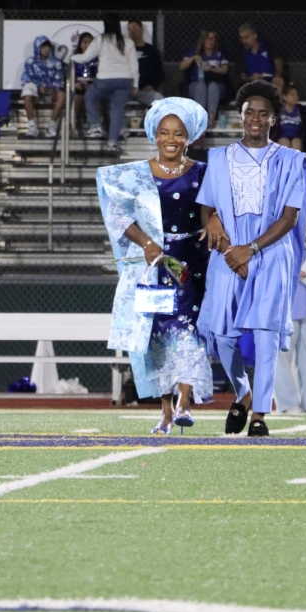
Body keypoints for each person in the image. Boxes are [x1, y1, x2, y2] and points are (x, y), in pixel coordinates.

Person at [197, 80, 306, 437]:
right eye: (250, 112)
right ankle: (243, 392)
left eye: (263, 113)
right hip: (227, 253)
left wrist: (252, 249)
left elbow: (289, 217)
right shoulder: (217, 157)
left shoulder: (293, 160)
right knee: (222, 336)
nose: (256, 119)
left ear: (274, 119)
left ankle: (260, 414)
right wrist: (223, 237)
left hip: (271, 254)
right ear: (240, 116)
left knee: (264, 335)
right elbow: (207, 210)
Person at [96, 96, 213, 433]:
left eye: (179, 133)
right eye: (165, 132)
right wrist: (145, 242)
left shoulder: (204, 173)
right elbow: (118, 213)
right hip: (156, 267)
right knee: (156, 336)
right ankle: (164, 410)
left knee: (188, 331)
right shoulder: (137, 175)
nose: (171, 139)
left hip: (192, 265)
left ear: (189, 137)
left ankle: (185, 403)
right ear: (154, 135)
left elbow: (217, 209)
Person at [273, 243, 306, 414]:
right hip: (285, 308)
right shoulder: (276, 248)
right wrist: (294, 274)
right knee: (282, 358)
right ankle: (287, 404)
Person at [80, 15, 140, 154]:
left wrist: (72, 58)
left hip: (105, 80)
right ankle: (112, 142)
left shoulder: (101, 39)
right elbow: (134, 64)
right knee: (117, 109)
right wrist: (135, 82)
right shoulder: (127, 41)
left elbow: (85, 57)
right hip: (124, 80)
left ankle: (95, 126)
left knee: (90, 97)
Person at [179, 29, 229, 128]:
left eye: (212, 38)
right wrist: (193, 58)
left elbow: (225, 69)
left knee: (212, 86)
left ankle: (211, 120)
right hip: (197, 84)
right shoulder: (194, 52)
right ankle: (200, 120)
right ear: (203, 40)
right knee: (201, 86)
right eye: (207, 38)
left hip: (216, 84)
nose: (210, 41)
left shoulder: (219, 53)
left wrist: (210, 69)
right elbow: (181, 66)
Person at [20, 35, 65, 139]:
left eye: (47, 47)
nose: (46, 49)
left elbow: (59, 79)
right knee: (27, 93)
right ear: (37, 48)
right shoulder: (30, 62)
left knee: (62, 96)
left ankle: (51, 127)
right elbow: (28, 78)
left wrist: (51, 89)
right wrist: (39, 86)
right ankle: (32, 127)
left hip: (51, 90)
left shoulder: (56, 62)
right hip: (36, 89)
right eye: (43, 47)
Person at [127, 19, 165, 107]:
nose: (132, 32)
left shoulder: (151, 51)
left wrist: (153, 86)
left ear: (141, 29)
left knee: (160, 101)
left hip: (145, 91)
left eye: (135, 29)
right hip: (127, 90)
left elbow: (160, 72)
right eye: (129, 29)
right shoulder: (124, 50)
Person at [272, 83, 306, 152]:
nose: (295, 97)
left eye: (296, 94)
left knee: (296, 142)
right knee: (285, 142)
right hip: (280, 139)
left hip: (298, 138)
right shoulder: (278, 110)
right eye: (292, 94)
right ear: (284, 96)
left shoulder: (302, 110)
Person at [238, 23, 280, 90]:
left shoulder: (267, 47)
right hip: (253, 82)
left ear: (255, 35)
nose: (244, 41)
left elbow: (278, 61)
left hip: (270, 79)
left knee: (279, 82)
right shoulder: (242, 53)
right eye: (242, 38)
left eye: (246, 37)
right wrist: (251, 78)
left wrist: (277, 75)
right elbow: (242, 76)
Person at [72, 32, 99, 133]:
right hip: (78, 87)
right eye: (85, 42)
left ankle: (96, 125)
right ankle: (72, 125)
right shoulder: (75, 58)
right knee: (77, 98)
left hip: (93, 86)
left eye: (90, 43)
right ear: (80, 44)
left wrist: (91, 85)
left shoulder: (99, 59)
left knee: (95, 98)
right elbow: (69, 77)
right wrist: (75, 84)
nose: (87, 45)